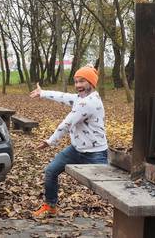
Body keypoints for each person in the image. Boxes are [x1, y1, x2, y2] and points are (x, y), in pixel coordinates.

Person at [29, 66, 108, 217]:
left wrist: (50, 141)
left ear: (91, 83)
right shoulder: (81, 98)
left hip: (95, 153)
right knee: (51, 171)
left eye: (82, 81)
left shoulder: (89, 102)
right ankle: (50, 206)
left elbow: (66, 124)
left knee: (109, 190)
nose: (78, 85)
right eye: (76, 81)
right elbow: (63, 96)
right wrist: (43, 93)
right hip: (76, 150)